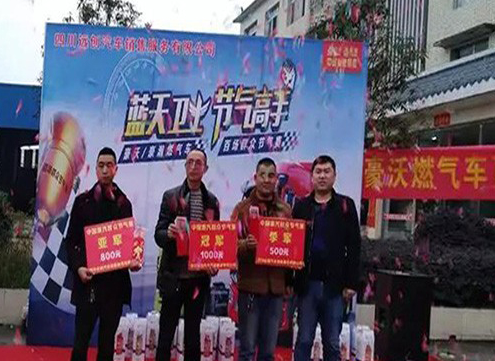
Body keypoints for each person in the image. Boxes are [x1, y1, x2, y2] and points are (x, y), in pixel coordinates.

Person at [65, 147, 140, 361]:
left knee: (107, 347)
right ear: (96, 169)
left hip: (114, 286)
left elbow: (127, 244)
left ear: (116, 169)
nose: (105, 170)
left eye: (109, 165)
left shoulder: (124, 204)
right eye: (101, 165)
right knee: (80, 345)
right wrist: (79, 267)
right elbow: (71, 241)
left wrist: (133, 260)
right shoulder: (83, 202)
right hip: (88, 283)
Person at [292, 155, 361, 361]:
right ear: (312, 176)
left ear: (334, 176)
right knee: (304, 340)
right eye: (318, 172)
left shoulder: (345, 206)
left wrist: (351, 283)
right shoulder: (301, 206)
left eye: (326, 171)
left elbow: (354, 246)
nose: (322, 176)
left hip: (335, 286)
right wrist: (290, 281)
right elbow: (292, 246)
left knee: (332, 342)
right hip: (307, 285)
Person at [154, 149, 220, 361]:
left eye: (198, 163)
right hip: (173, 277)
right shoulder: (171, 196)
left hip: (198, 279)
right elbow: (158, 235)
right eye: (189, 162)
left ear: (205, 168)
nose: (193, 166)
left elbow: (215, 241)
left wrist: (214, 263)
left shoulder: (212, 202)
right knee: (165, 335)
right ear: (185, 166)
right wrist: (169, 233)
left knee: (193, 338)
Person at [231, 157, 293, 361]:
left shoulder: (285, 211)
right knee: (247, 350)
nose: (267, 180)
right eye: (262, 175)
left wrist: (290, 281)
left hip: (275, 290)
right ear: (255, 178)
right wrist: (245, 245)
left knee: (268, 352)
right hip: (250, 287)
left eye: (271, 175)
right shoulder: (242, 209)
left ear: (276, 179)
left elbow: (292, 248)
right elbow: (230, 245)